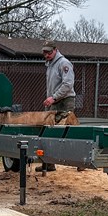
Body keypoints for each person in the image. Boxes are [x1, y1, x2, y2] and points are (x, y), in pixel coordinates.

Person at [38, 40, 76, 171]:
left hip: (65, 100)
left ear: (55, 50)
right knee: (49, 130)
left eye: (49, 52)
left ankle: (79, 162)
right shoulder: (50, 64)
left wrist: (53, 98)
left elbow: (68, 84)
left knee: (67, 131)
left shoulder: (63, 63)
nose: (46, 55)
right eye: (44, 52)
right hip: (54, 101)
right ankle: (49, 163)